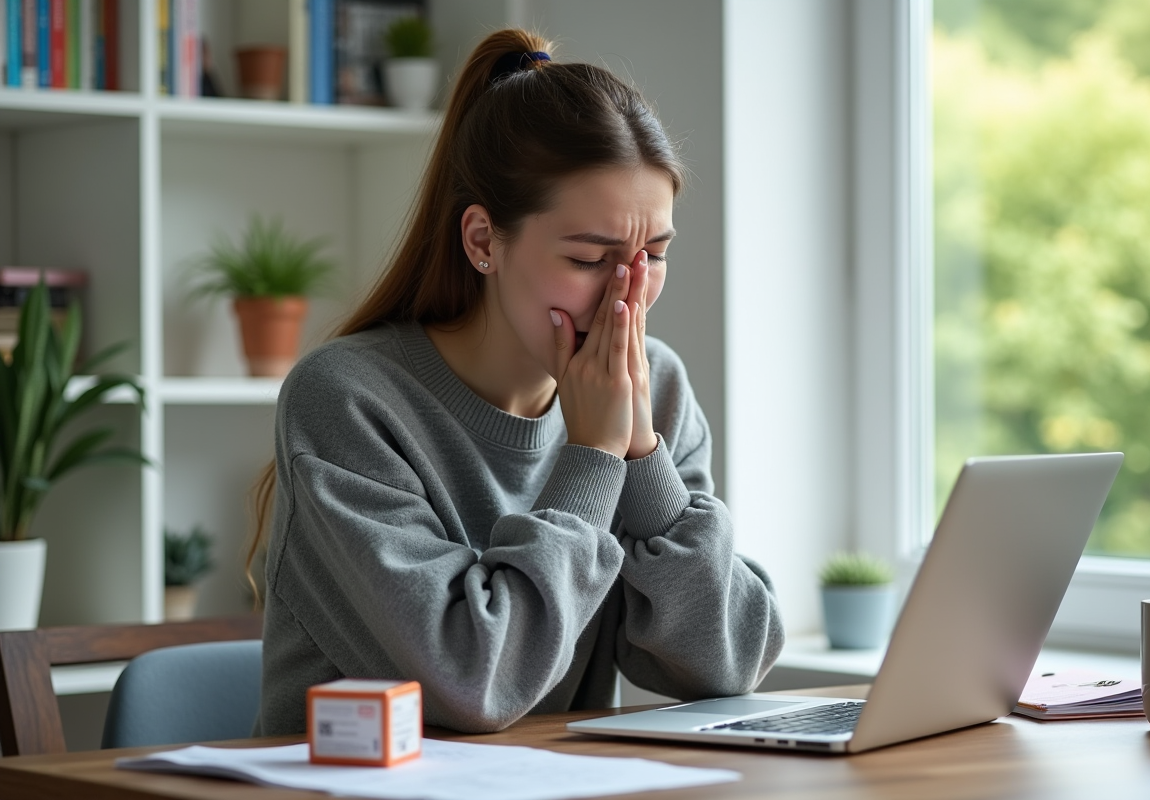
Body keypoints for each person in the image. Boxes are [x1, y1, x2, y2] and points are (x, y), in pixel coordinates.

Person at [251, 27, 784, 735]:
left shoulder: (653, 388)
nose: (628, 297)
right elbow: (473, 682)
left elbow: (728, 663)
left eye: (653, 254)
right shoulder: (347, 399)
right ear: (482, 241)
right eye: (590, 258)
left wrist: (641, 459)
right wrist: (592, 461)